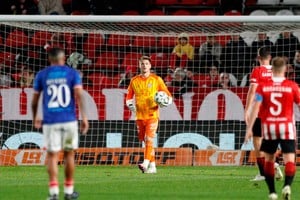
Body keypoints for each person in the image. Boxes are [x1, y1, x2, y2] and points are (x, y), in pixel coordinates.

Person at [31, 47, 89, 200]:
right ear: (64, 59)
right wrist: (84, 117)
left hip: (50, 122)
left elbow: (35, 99)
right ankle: (69, 191)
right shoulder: (72, 74)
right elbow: (79, 95)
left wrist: (35, 116)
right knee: (69, 154)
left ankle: (53, 192)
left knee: (52, 155)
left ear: (50, 59)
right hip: (69, 121)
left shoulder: (42, 75)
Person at [245, 57, 299, 200]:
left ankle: (272, 193)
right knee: (289, 160)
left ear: (272, 70)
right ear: (285, 69)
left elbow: (256, 107)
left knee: (269, 159)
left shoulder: (263, 87)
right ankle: (287, 186)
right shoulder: (292, 86)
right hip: (286, 126)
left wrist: (249, 129)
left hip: (269, 127)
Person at [126, 56, 172, 174]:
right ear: (139, 65)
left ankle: (145, 163)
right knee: (144, 141)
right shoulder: (134, 80)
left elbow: (168, 96)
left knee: (149, 139)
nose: (144, 66)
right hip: (139, 116)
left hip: (152, 115)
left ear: (150, 66)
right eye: (142, 64)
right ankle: (153, 166)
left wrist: (165, 102)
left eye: (146, 64)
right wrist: (129, 104)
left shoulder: (157, 79)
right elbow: (129, 97)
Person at [244, 46, 283, 182]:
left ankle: (263, 172)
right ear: (270, 57)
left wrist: (247, 109)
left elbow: (253, 90)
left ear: (258, 58)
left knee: (257, 142)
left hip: (261, 111)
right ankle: (273, 164)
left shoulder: (257, 71)